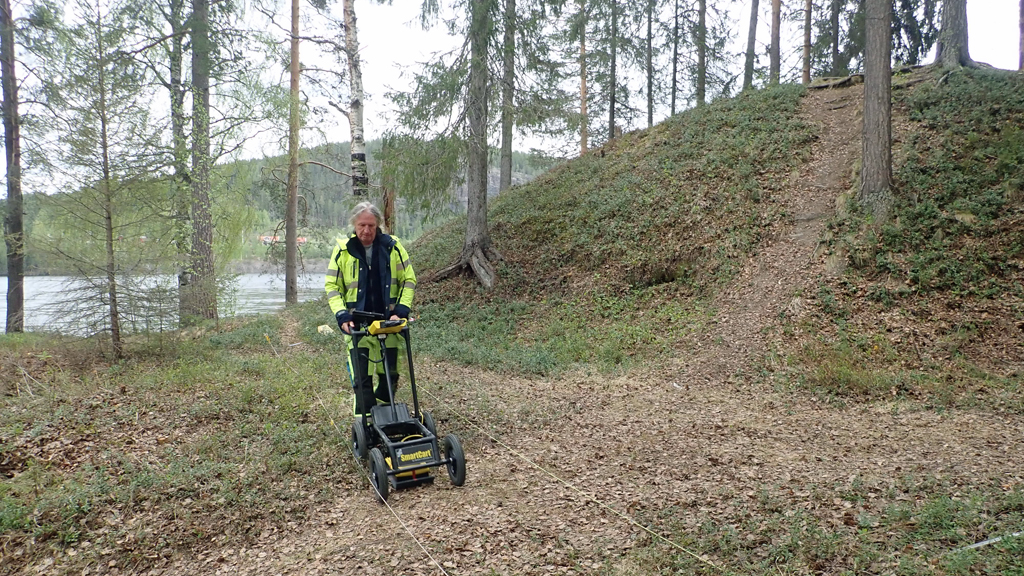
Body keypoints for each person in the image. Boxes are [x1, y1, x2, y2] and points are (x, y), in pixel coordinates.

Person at [325, 202, 416, 417]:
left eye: (371, 226)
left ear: (378, 225)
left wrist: (401, 310)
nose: (366, 231)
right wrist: (341, 315)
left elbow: (409, 280)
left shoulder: (393, 248)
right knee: (362, 379)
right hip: (358, 326)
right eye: (362, 225)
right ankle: (365, 426)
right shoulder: (342, 251)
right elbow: (332, 286)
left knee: (390, 376)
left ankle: (385, 416)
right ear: (354, 225)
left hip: (389, 324)